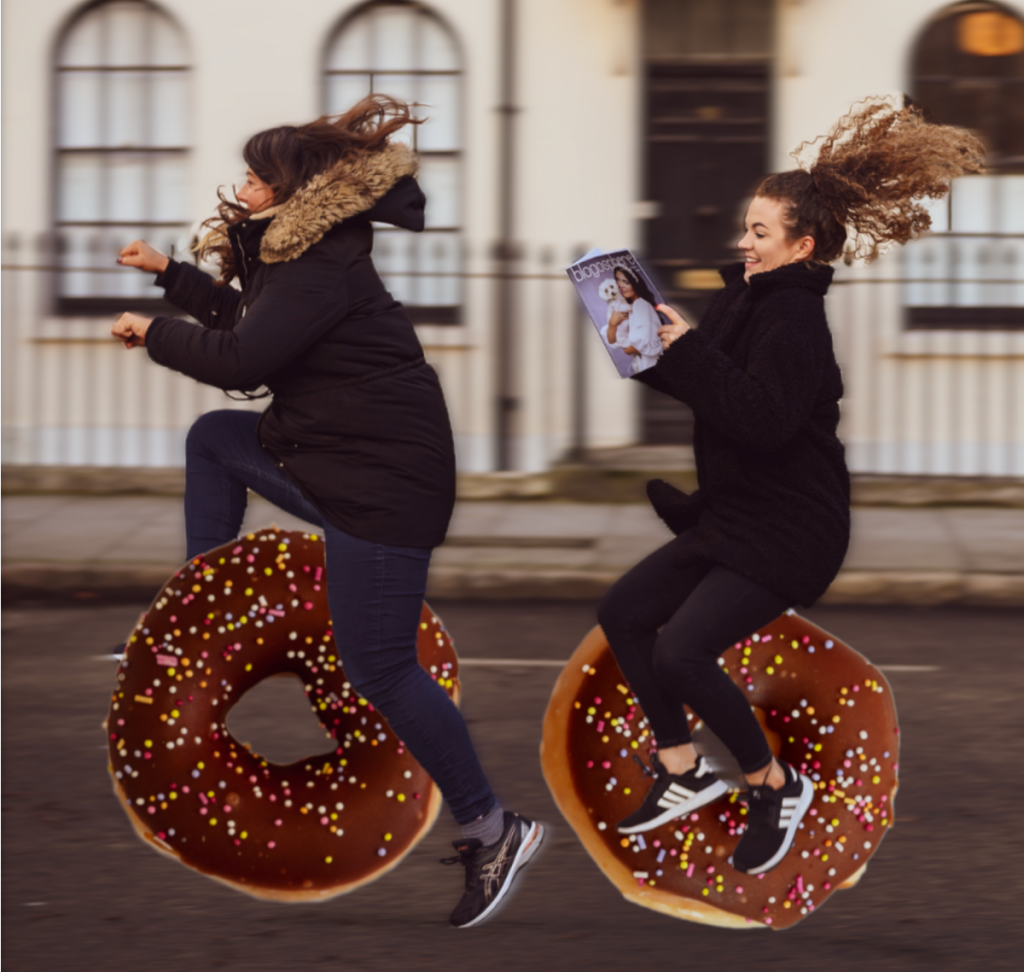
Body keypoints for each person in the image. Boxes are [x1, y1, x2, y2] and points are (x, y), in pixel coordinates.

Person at [111, 95, 543, 928]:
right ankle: (202, 606)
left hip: (383, 484)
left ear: (288, 189)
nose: (242, 186)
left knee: (380, 669)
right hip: (337, 460)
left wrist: (154, 330)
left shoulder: (319, 264)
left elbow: (244, 356)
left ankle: (495, 829)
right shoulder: (299, 257)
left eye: (254, 176)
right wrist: (169, 274)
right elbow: (249, 323)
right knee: (215, 441)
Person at [597, 98, 983, 875]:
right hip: (738, 517)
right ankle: (681, 769)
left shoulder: (795, 322)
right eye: (747, 227)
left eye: (760, 232)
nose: (743, 241)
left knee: (682, 652)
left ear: (801, 246)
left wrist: (690, 352)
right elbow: (709, 384)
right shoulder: (747, 298)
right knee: (625, 613)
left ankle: (775, 784)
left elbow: (763, 419)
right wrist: (641, 342)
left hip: (790, 530)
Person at [604, 265, 662, 373]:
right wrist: (612, 323)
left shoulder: (640, 305)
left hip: (650, 364)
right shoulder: (629, 306)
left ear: (635, 283)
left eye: (625, 282)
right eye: (618, 280)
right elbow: (612, 341)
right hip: (644, 364)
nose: (620, 285)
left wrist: (626, 347)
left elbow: (636, 347)